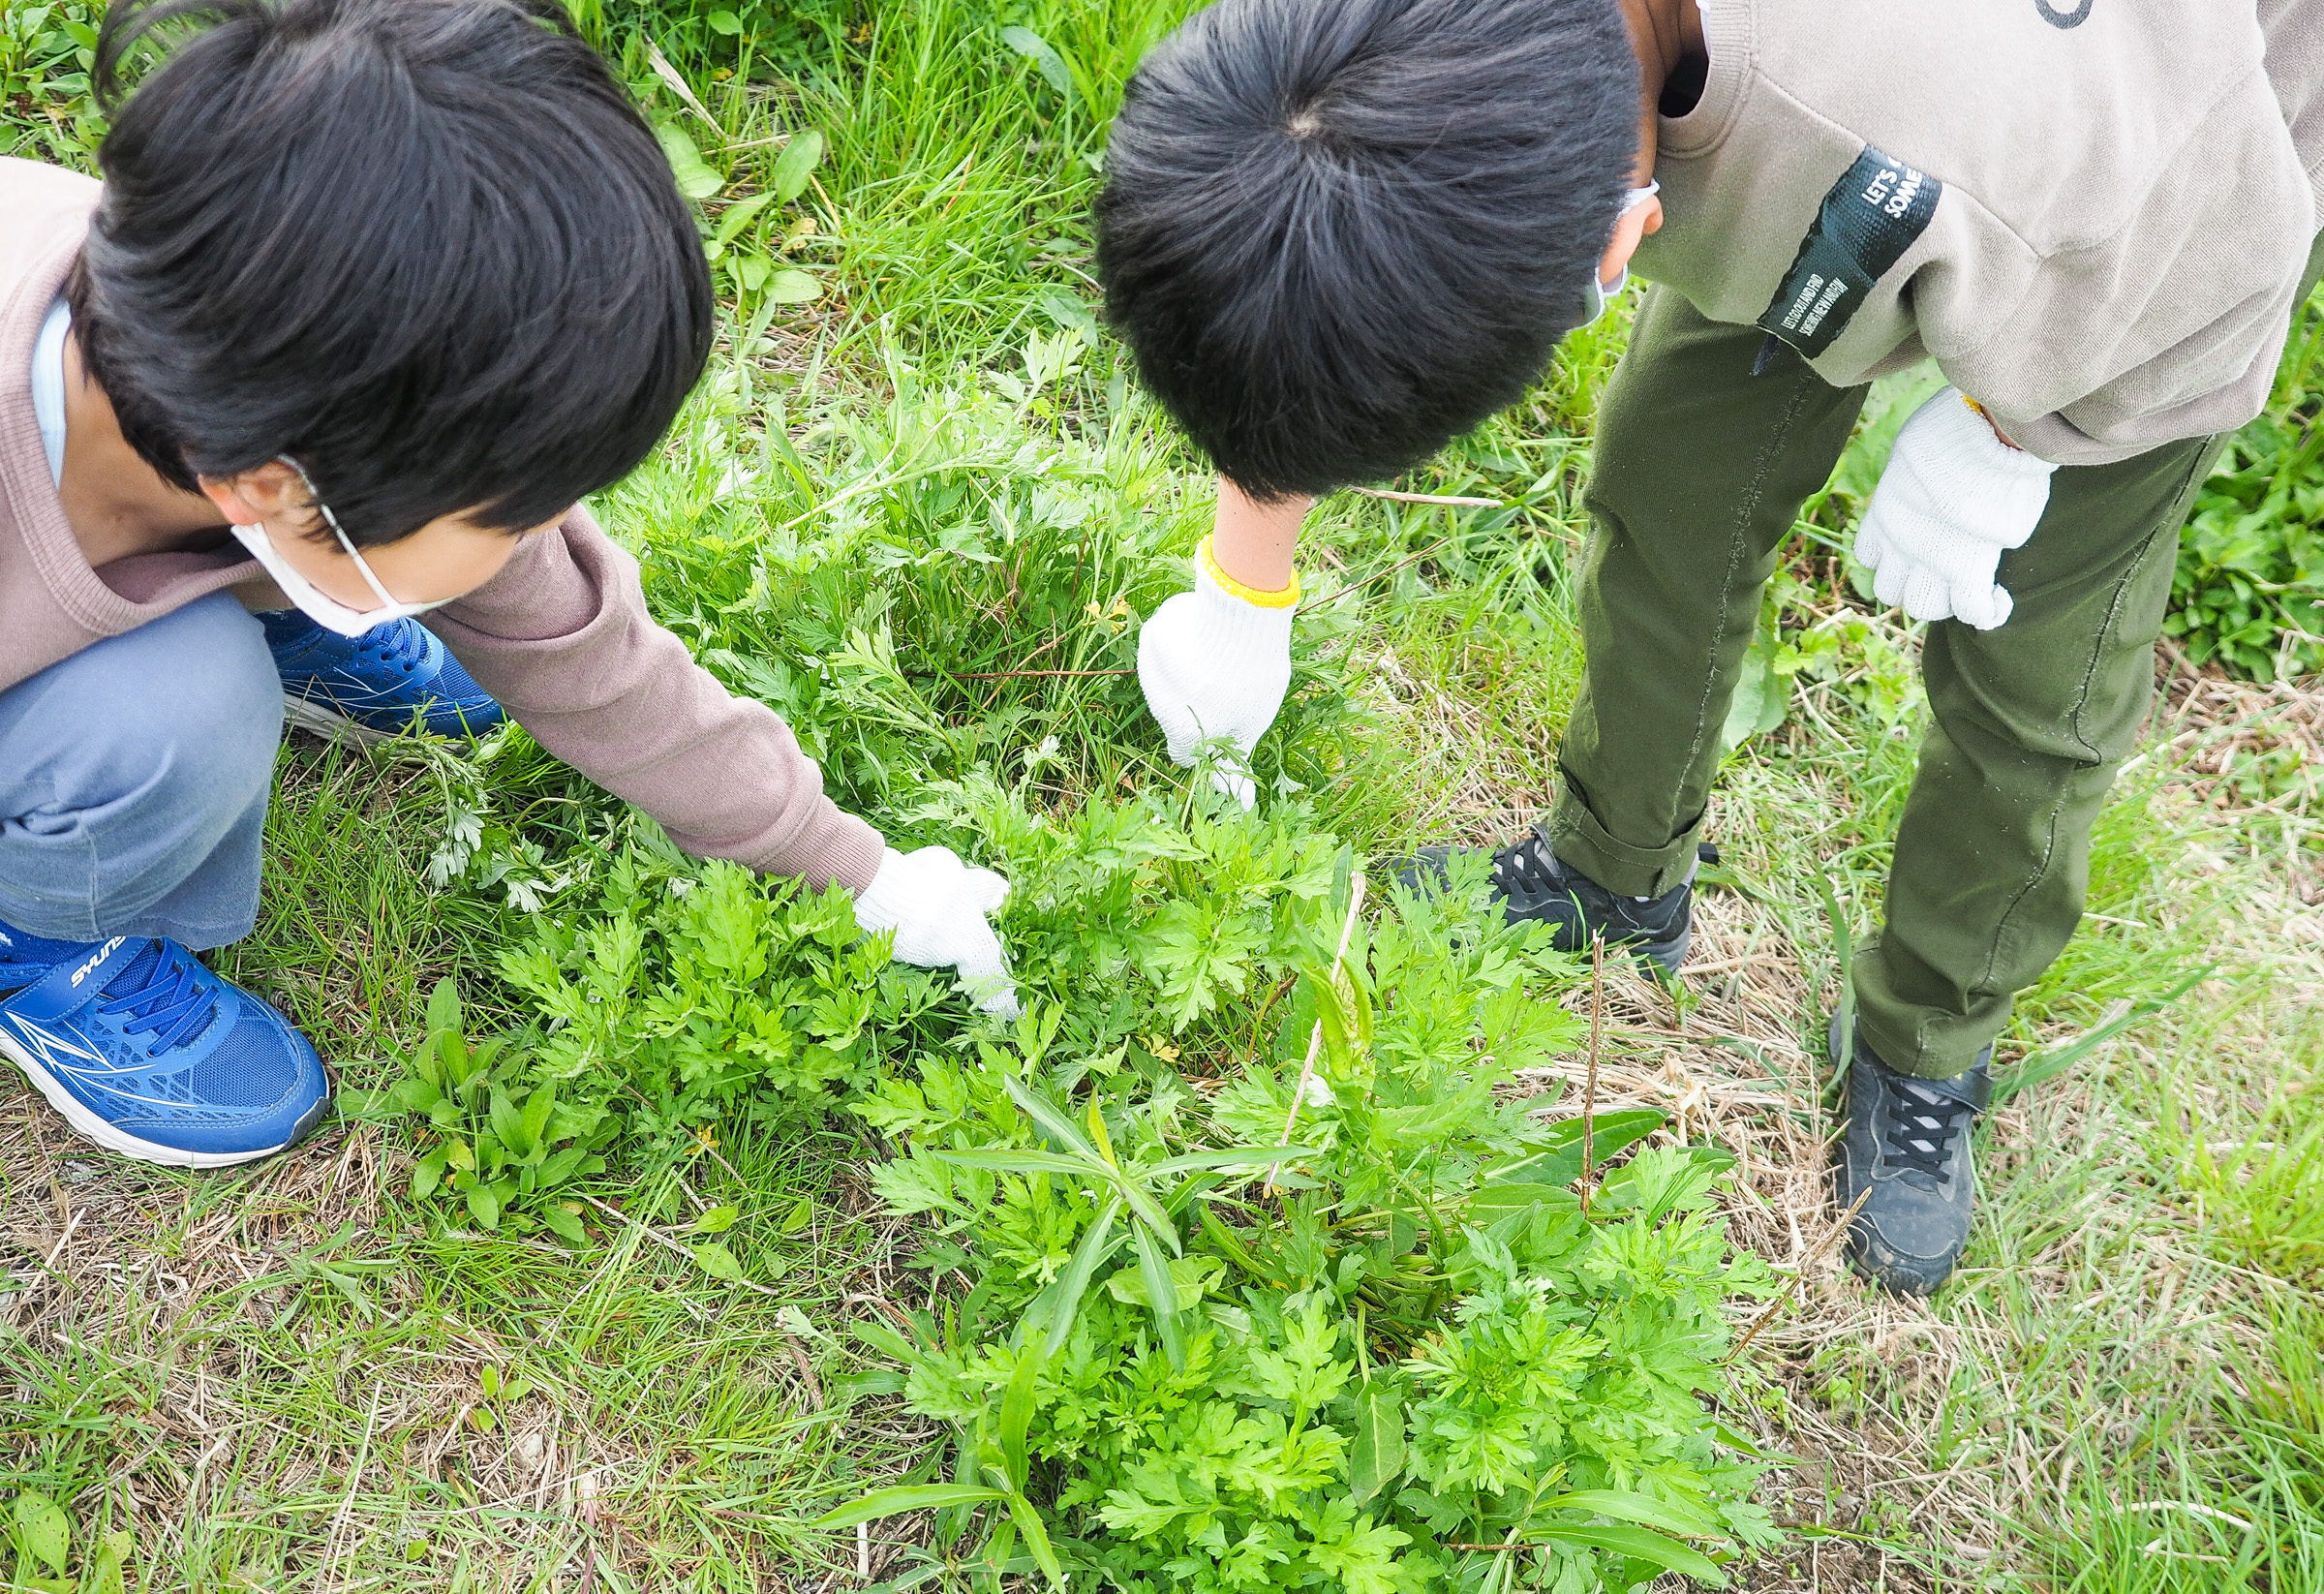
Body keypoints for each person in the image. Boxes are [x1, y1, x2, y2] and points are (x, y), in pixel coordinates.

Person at [1095, 0, 2324, 1293]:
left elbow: (2225, 284)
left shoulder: (1939, 125)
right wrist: (1243, 579)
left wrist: (2013, 439)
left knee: (2038, 663)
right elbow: (1325, 212)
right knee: (1675, 465)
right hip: (1854, 116)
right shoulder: (1490, 55)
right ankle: (1614, 870)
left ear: (1625, 235)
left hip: (2174, 224)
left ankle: (1929, 1038)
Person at [0, 0, 1020, 1172]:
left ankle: (290, 607)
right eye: (512, 509)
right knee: (180, 712)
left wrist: (863, 871)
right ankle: (34, 930)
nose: (543, 532)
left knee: (368, 598)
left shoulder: (257, 352)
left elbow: (592, 658)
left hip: (260, 518)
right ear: (273, 490)